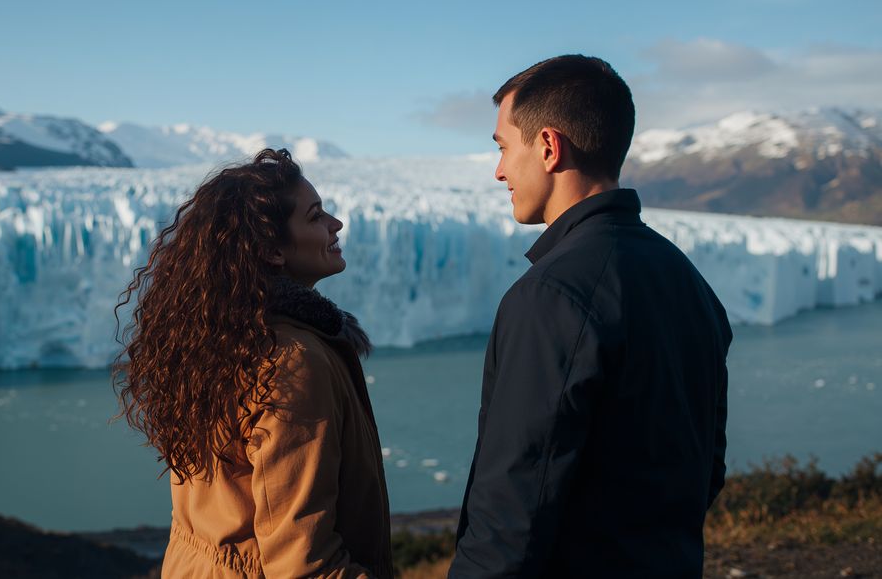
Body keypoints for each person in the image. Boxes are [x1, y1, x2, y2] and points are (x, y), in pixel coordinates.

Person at [450, 55, 732, 578]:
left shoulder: (551, 295)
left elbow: (513, 508)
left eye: (503, 148)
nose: (499, 171)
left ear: (549, 147)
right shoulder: (687, 281)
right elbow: (705, 470)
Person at [113, 149, 392, 578]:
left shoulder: (218, 339)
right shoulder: (291, 362)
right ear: (273, 251)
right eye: (316, 216)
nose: (335, 224)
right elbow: (302, 564)